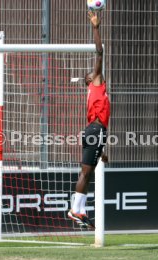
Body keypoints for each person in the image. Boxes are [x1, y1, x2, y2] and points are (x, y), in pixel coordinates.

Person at [68, 11, 110, 228]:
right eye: (91, 75)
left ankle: (80, 210)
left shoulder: (96, 92)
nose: (93, 74)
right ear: (92, 80)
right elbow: (100, 53)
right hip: (95, 131)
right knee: (86, 173)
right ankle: (75, 210)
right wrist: (95, 28)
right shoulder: (97, 85)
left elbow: (98, 124)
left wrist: (101, 150)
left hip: (95, 133)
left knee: (88, 171)